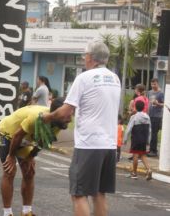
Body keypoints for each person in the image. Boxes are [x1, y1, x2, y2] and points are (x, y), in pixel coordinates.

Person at [43, 40, 121, 216]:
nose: (84, 59)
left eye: (85, 55)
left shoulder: (84, 78)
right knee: (100, 194)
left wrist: (47, 117)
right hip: (109, 145)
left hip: (89, 145)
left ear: (91, 58)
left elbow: (65, 111)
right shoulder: (114, 78)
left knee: (79, 194)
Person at [0, 97, 69, 216]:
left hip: (25, 138)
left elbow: (43, 140)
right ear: (56, 113)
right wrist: (11, 156)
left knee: (29, 172)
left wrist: (31, 156)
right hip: (6, 133)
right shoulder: (36, 117)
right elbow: (17, 136)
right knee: (9, 171)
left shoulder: (59, 123)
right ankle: (7, 213)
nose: (70, 119)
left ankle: (26, 211)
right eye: (67, 115)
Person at [123, 100, 152, 180]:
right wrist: (148, 141)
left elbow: (128, 129)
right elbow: (149, 130)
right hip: (144, 138)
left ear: (135, 107)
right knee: (142, 154)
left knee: (135, 155)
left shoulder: (134, 117)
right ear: (143, 107)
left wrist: (125, 139)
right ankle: (149, 169)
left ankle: (134, 173)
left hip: (136, 137)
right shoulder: (147, 117)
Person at [147, 78, 164, 157]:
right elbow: (147, 103)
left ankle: (154, 151)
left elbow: (164, 104)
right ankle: (150, 149)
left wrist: (158, 104)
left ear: (158, 84)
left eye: (154, 84)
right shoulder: (149, 92)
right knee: (150, 133)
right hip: (149, 115)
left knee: (154, 133)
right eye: (152, 84)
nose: (153, 86)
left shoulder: (161, 93)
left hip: (157, 116)